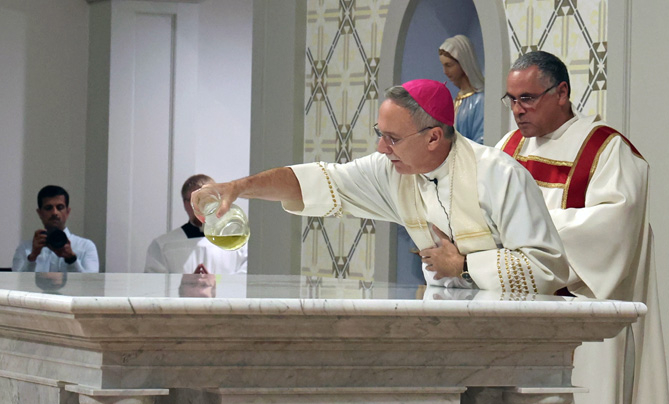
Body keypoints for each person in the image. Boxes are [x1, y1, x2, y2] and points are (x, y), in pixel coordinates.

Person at [192, 79, 569, 295]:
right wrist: (239, 187)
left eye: (391, 138)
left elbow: (547, 267)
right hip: (445, 324)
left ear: (434, 137)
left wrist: (465, 266)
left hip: (509, 338)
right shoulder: (391, 170)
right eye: (379, 135)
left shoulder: (499, 175)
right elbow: (318, 182)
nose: (380, 148)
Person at [498, 51, 669, 404]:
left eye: (528, 98)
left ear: (562, 93)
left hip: (585, 316)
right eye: (511, 99)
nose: (518, 109)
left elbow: (612, 230)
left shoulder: (606, 149)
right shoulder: (507, 150)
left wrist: (516, 231)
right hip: (515, 317)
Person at [144, 174, 248, 274]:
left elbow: (245, 284)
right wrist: (188, 285)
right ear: (185, 203)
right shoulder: (163, 246)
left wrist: (214, 285)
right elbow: (155, 286)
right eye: (196, 200)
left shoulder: (238, 245)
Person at [12, 185, 99, 273]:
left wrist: (71, 259)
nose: (54, 212)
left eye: (60, 207)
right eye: (48, 208)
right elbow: (17, 282)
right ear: (40, 213)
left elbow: (90, 283)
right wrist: (32, 257)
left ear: (67, 212)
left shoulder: (85, 246)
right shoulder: (25, 248)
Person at [439, 34, 485, 144]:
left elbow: (481, 138)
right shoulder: (457, 100)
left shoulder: (480, 101)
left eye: (449, 65)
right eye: (443, 65)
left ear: (463, 63)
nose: (445, 71)